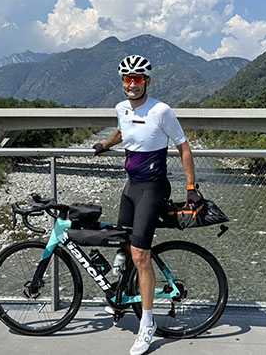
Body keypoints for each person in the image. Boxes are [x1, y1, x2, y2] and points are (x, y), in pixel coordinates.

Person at [93, 54, 202, 355]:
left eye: (137, 79)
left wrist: (191, 188)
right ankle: (123, 300)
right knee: (123, 244)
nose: (131, 84)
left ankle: (148, 324)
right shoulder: (121, 108)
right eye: (127, 79)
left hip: (153, 188)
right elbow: (121, 130)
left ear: (147, 81)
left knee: (141, 255)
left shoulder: (161, 110)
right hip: (131, 187)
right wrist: (104, 145)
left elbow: (184, 147)